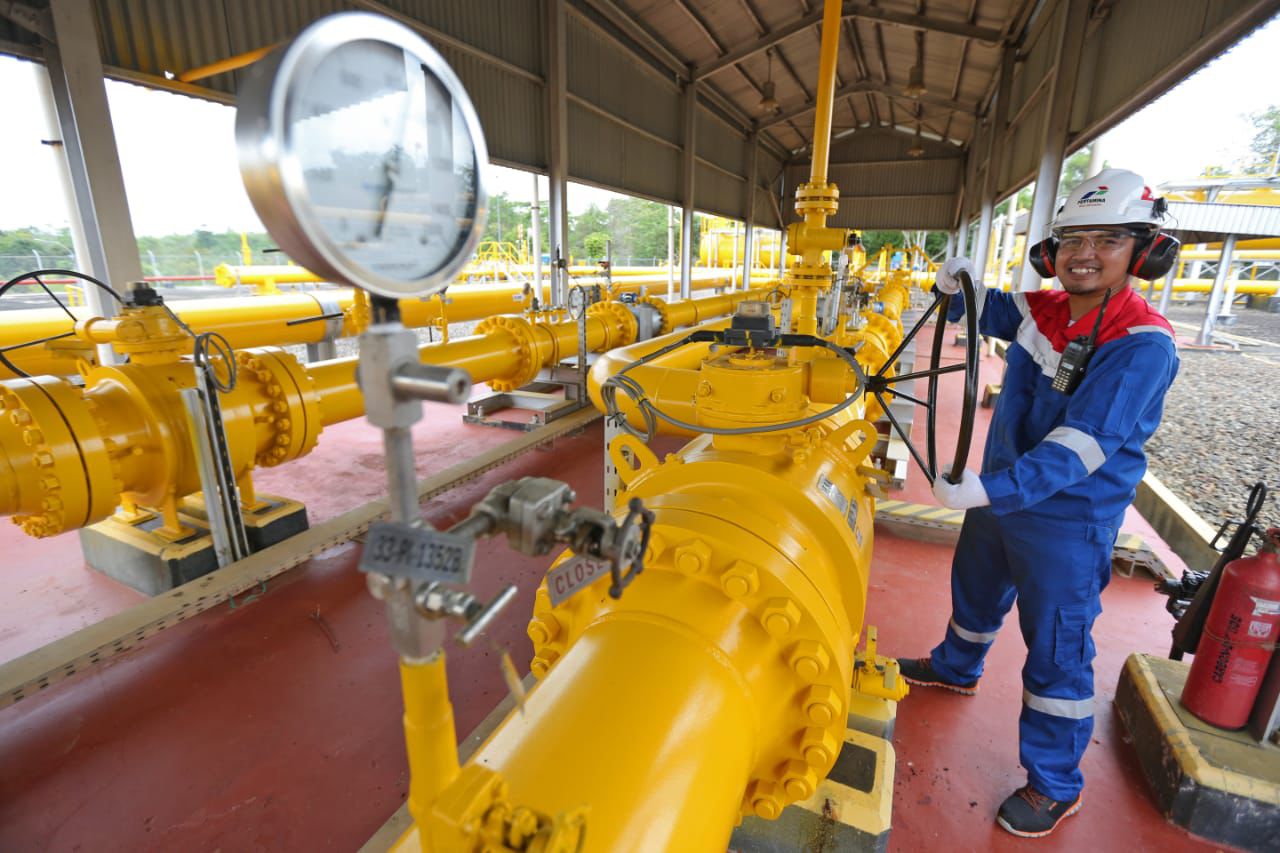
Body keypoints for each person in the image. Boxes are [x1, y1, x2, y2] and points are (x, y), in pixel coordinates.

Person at [896, 169, 1180, 838]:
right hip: (1000, 493)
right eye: (1072, 240)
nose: (1085, 254)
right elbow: (981, 308)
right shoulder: (1042, 311)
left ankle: (1054, 784)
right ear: (1050, 252)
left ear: (1144, 251)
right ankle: (956, 667)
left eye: (1107, 240)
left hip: (1067, 517)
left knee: (1056, 644)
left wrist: (987, 488)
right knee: (975, 590)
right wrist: (954, 284)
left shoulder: (1143, 343)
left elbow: (1084, 446)